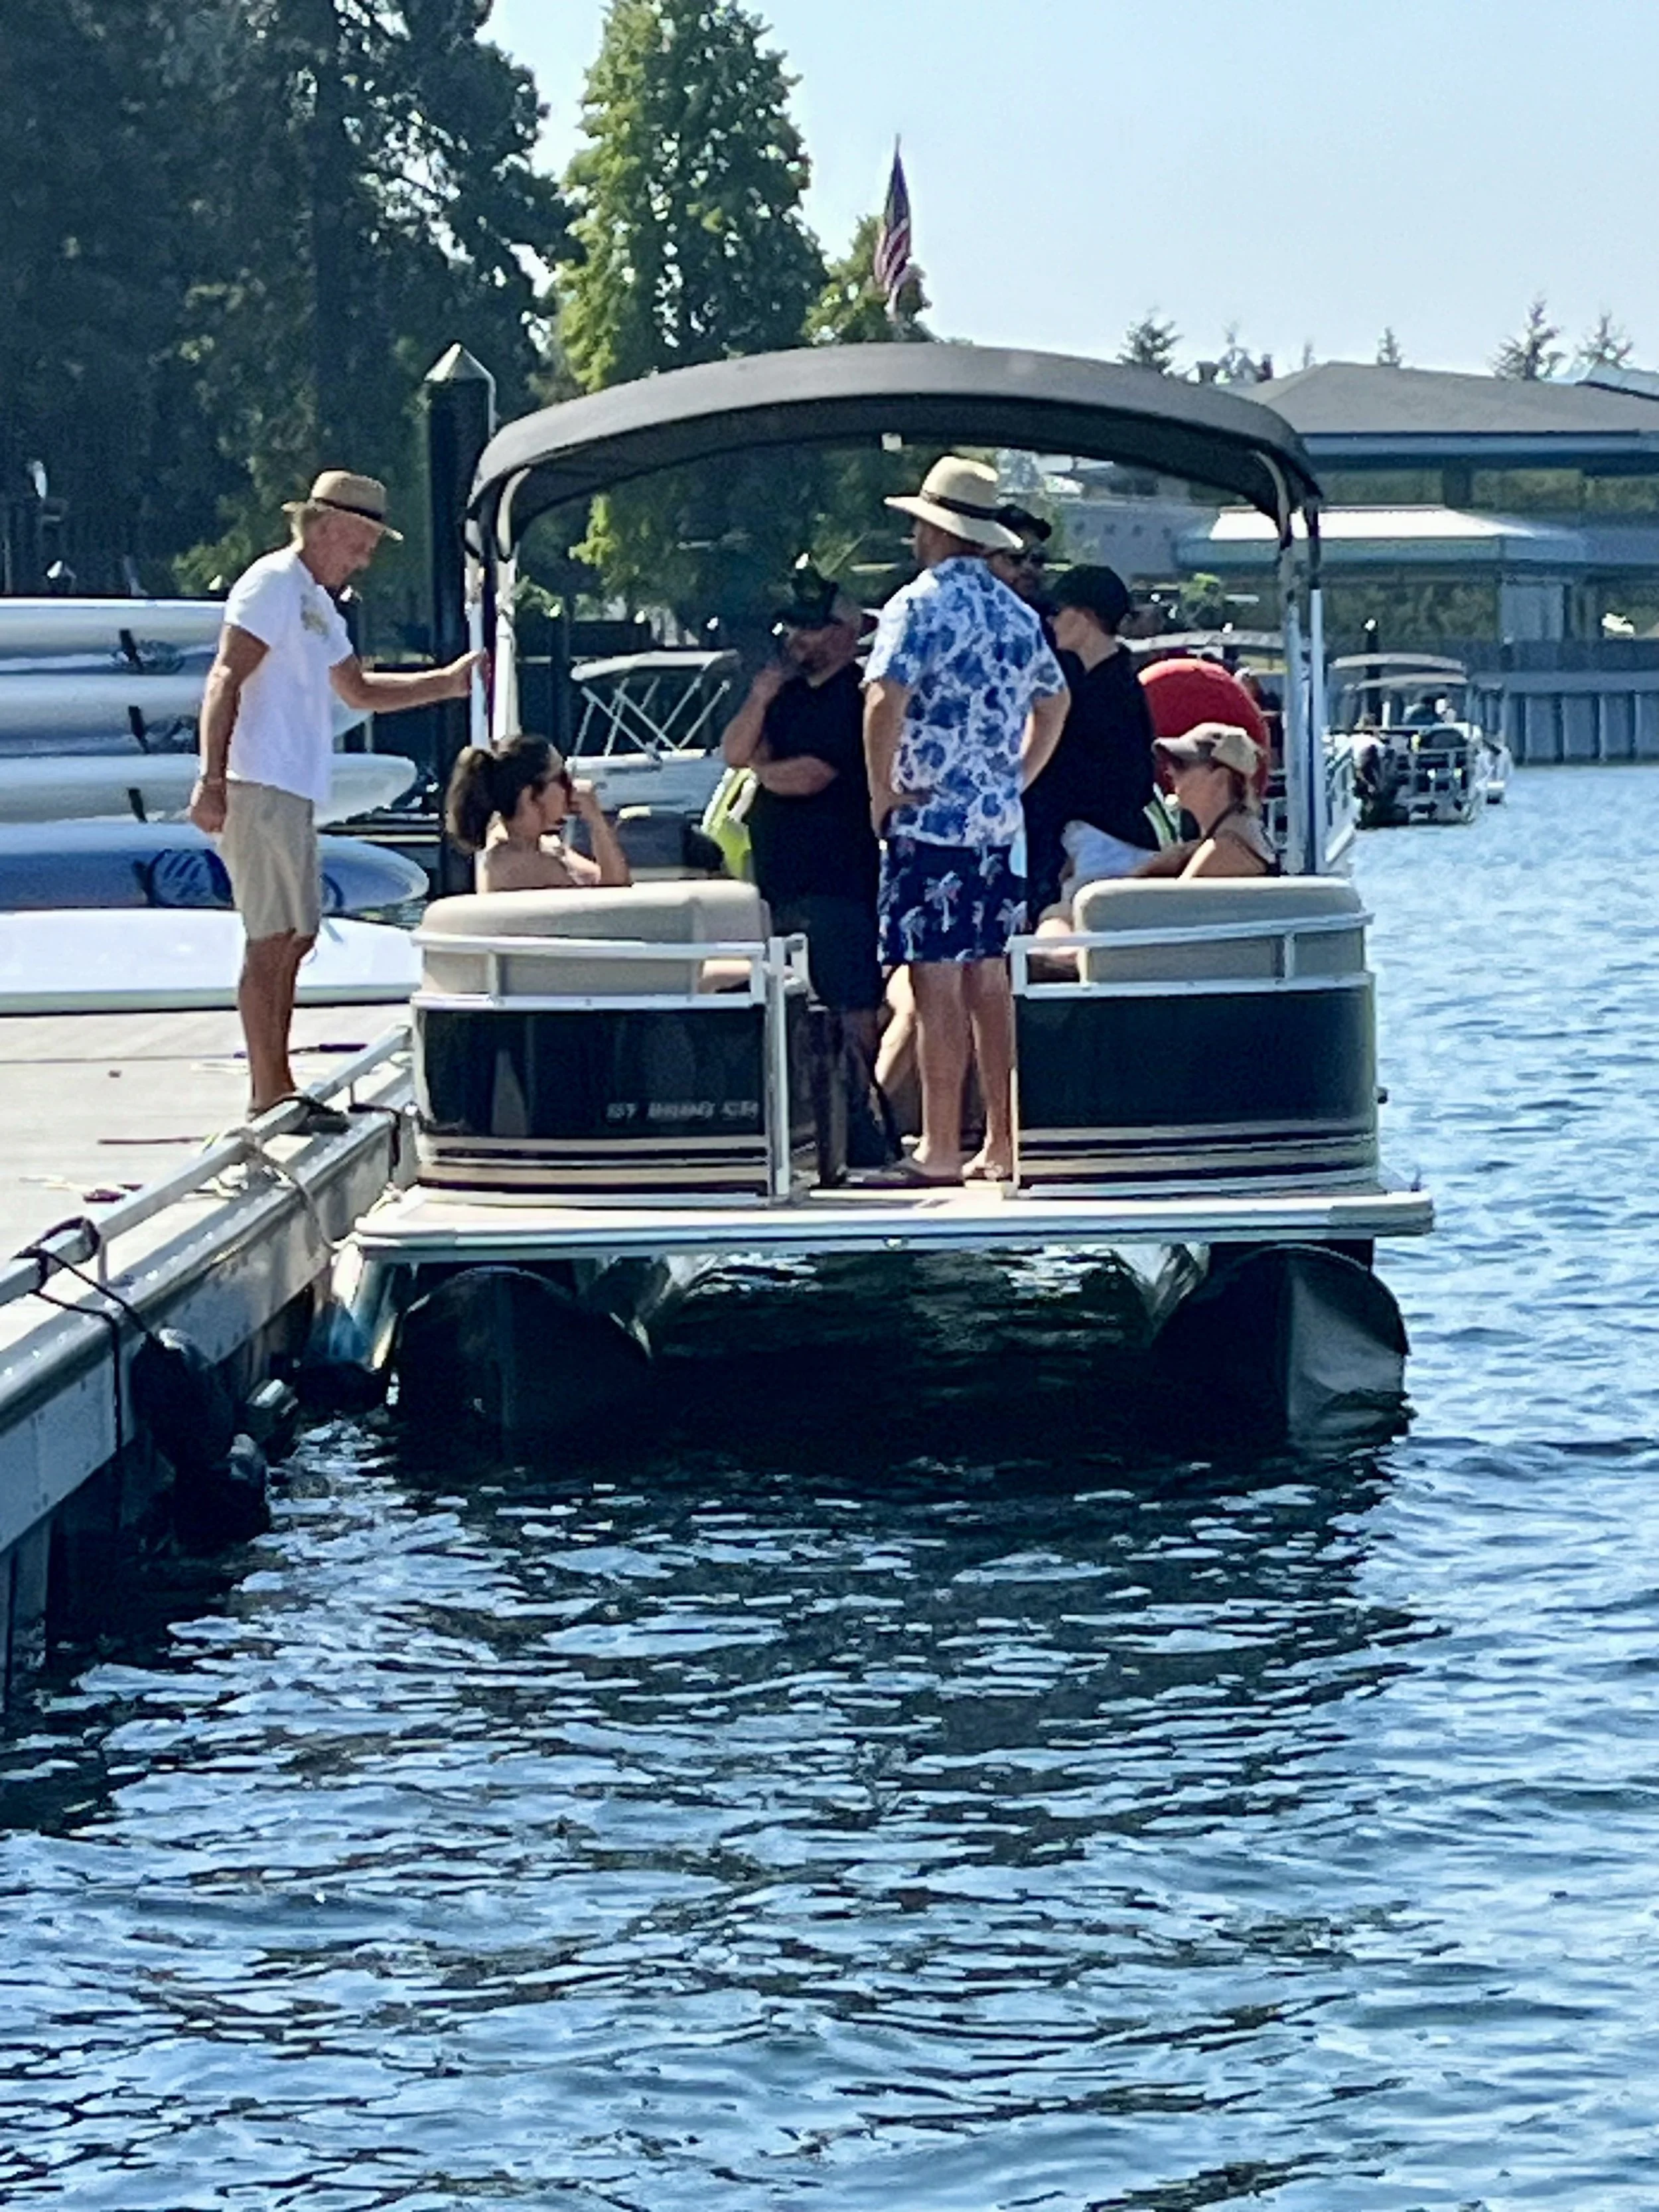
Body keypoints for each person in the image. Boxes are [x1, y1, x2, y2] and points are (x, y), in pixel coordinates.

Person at [189, 469, 481, 1123]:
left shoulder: (318, 604)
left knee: (295, 935)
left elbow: (359, 691)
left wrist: (450, 684)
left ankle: (277, 1083)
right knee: (270, 937)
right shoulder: (272, 586)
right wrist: (211, 781)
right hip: (255, 779)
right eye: (358, 541)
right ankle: (269, 1090)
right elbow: (225, 678)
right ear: (320, 527)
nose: (365, 557)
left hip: (290, 785)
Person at [863, 456, 1069, 1184]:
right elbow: (1055, 702)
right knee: (990, 981)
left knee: (935, 983)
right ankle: (1004, 1144)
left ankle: (941, 1146)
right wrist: (1016, 776)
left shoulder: (915, 607)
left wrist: (880, 793)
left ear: (932, 529)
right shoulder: (1017, 615)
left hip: (929, 824)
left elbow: (883, 700)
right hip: (995, 825)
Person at [719, 567, 881, 1059]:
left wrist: (763, 771)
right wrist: (761, 696)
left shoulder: (857, 696)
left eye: (809, 628)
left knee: (850, 1007)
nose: (796, 639)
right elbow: (735, 751)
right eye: (792, 627)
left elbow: (812, 774)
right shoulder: (782, 694)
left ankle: (862, 1111)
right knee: (790, 1012)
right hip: (779, 885)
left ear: (846, 633)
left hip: (837, 884)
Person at [1023, 563, 1159, 919]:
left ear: (1084, 617)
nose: (1051, 623)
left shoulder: (1115, 693)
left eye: (1058, 612)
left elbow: (1131, 782)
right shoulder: (1086, 681)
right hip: (1071, 845)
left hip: (1095, 851)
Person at [445, 733, 631, 891]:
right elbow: (615, 896)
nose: (572, 787)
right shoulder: (518, 865)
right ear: (530, 795)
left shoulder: (540, 844)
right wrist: (596, 821)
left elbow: (612, 881)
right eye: (561, 778)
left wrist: (595, 820)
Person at [1136, 723, 1278, 878]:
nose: (1170, 771)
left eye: (1181, 764)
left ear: (1220, 779)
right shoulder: (1235, 833)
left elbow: (1175, 901)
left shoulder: (1228, 847)